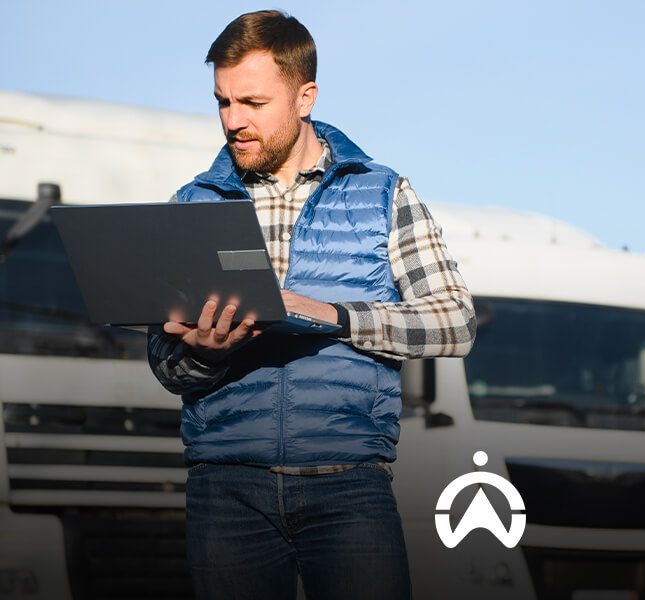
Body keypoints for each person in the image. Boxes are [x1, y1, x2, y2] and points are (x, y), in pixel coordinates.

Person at [146, 9, 475, 600]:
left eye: (252, 102)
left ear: (305, 97)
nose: (233, 121)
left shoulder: (382, 193)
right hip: (225, 490)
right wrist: (203, 353)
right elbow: (166, 364)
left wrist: (336, 315)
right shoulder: (191, 203)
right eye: (222, 102)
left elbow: (455, 322)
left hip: (349, 486)